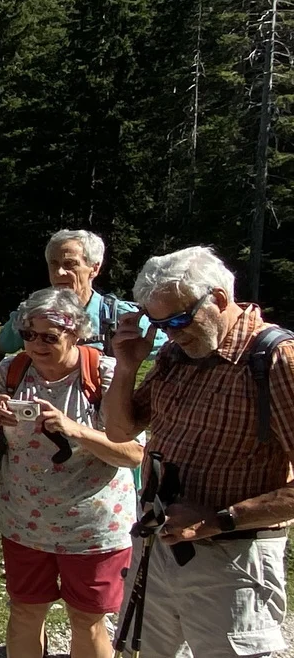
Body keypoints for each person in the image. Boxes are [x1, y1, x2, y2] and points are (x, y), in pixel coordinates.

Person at [103, 246, 294, 657]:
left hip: (232, 558)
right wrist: (126, 366)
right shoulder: (177, 355)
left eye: (178, 320)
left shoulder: (277, 359)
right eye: (159, 324)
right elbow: (120, 430)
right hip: (157, 544)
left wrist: (220, 518)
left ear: (219, 300)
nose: (171, 333)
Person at [0, 288, 142, 658]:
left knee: (87, 621)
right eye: (29, 334)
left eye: (50, 336)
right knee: (25, 612)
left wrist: (74, 429)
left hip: (94, 530)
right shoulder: (11, 370)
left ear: (76, 333)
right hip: (24, 524)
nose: (37, 344)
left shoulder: (105, 373)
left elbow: (133, 453)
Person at [0, 229, 166, 375]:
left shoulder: (117, 316)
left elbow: (174, 347)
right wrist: (6, 391)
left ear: (94, 268)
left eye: (70, 264)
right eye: (53, 264)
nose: (59, 273)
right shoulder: (32, 314)